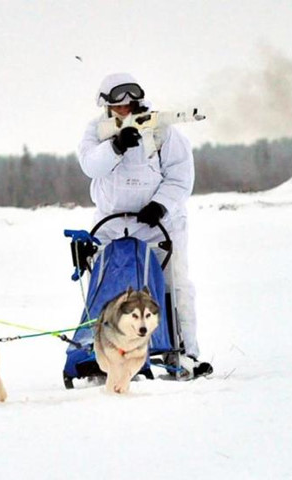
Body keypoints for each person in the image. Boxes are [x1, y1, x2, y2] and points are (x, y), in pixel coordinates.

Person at [77, 72, 211, 378]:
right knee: (109, 291)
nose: (125, 109)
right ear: (107, 105)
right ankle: (104, 354)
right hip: (111, 225)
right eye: (118, 105)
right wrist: (116, 146)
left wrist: (160, 205)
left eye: (130, 103)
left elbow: (180, 176)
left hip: (159, 224)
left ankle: (185, 352)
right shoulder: (96, 131)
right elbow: (91, 166)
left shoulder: (163, 129)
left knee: (173, 286)